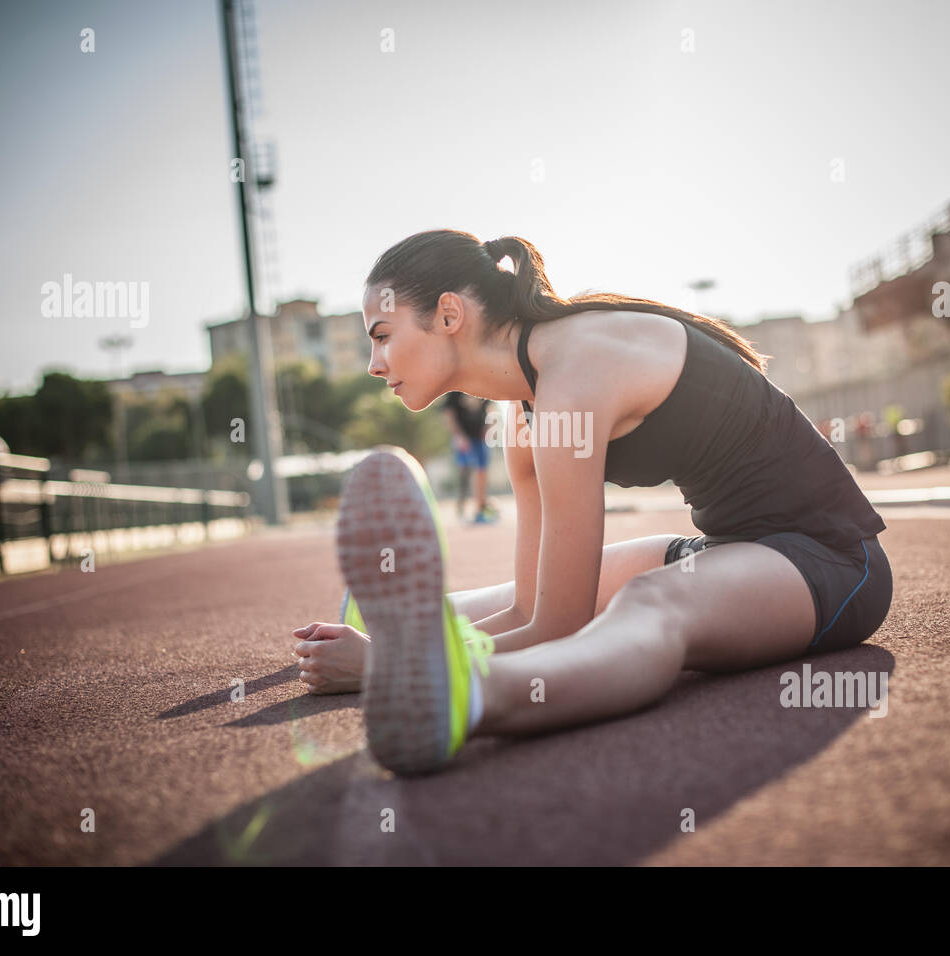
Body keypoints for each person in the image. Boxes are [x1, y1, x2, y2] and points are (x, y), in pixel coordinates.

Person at [294, 230, 892, 776]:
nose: (375, 365)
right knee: (530, 588)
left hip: (833, 561)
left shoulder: (576, 371)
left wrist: (383, 670)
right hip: (729, 550)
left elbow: (561, 625)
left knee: (649, 599)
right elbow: (534, 607)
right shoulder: (521, 410)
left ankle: (457, 692)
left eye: (382, 337)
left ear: (449, 314)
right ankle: (381, 622)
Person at [440, 390, 498, 523]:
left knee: (482, 471)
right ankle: (463, 507)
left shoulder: (482, 384)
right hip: (464, 437)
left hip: (480, 436)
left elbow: (492, 409)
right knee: (467, 472)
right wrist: (459, 436)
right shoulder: (455, 390)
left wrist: (489, 429)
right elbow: (449, 414)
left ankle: (480, 508)